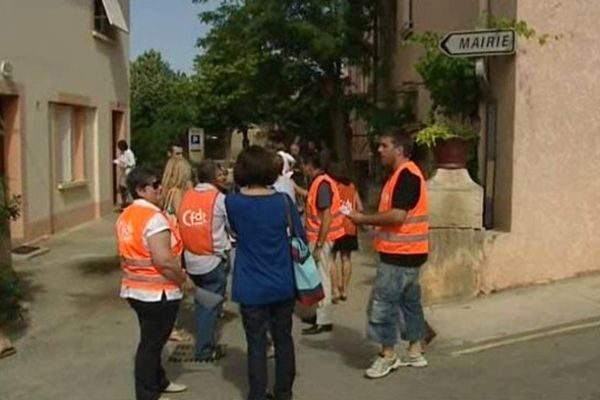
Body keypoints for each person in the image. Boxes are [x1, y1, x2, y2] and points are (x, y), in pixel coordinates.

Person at [347, 129, 430, 379]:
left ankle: (388, 355)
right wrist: (375, 223)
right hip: (410, 251)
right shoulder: (405, 175)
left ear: (400, 150)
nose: (379, 150)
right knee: (409, 302)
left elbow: (397, 215)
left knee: (382, 305)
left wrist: (363, 217)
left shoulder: (406, 176)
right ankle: (415, 351)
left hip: (399, 253)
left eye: (384, 146)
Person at [225, 146, 303, 400]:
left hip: (250, 284)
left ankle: (257, 393)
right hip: (282, 281)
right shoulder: (283, 201)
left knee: (256, 344)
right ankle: (284, 392)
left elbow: (235, 232)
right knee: (283, 339)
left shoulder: (234, 202)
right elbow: (300, 237)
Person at [115, 166, 194, 400]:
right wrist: (184, 280)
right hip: (158, 292)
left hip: (135, 290)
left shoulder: (126, 215)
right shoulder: (154, 218)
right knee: (151, 345)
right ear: (141, 190)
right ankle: (147, 394)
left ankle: (159, 381)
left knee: (151, 341)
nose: (160, 188)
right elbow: (164, 261)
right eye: (155, 185)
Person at [178, 160, 231, 362]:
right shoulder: (219, 199)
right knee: (210, 306)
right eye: (221, 173)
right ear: (214, 178)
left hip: (192, 259)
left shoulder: (188, 196)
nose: (224, 176)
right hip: (213, 260)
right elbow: (231, 226)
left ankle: (204, 338)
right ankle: (204, 348)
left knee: (203, 302)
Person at [301, 154, 345, 335]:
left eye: (303, 165)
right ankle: (320, 315)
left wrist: (319, 245)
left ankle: (323, 320)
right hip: (321, 237)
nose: (302, 169)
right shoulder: (320, 183)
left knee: (322, 277)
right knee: (319, 276)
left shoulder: (322, 184)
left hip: (323, 238)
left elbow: (326, 216)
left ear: (310, 165)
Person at [159, 157, 194, 342]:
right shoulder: (178, 193)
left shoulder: (166, 192)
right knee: (175, 284)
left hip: (168, 241)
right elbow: (183, 218)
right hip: (176, 242)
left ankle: (168, 326)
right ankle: (170, 328)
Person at [328, 162, 364, 302]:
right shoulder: (352, 186)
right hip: (350, 227)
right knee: (346, 258)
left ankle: (335, 290)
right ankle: (345, 290)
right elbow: (359, 207)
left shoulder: (333, 186)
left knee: (332, 258)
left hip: (335, 226)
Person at [114, 139, 136, 210]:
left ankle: (131, 204)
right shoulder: (121, 153)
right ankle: (124, 203)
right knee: (121, 188)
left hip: (128, 173)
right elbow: (120, 160)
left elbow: (133, 163)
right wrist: (117, 161)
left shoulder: (129, 153)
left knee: (128, 189)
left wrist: (125, 165)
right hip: (123, 173)